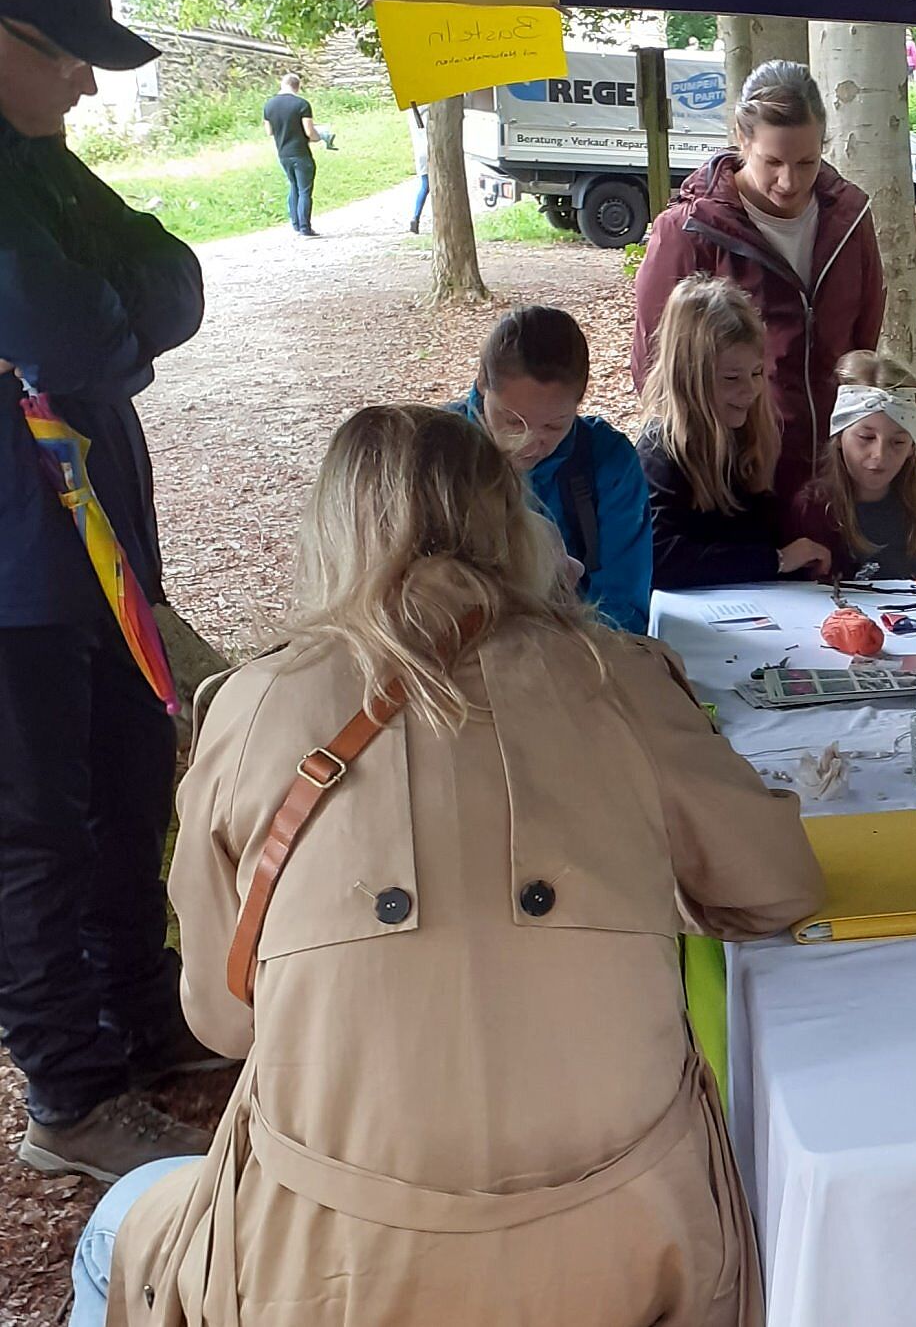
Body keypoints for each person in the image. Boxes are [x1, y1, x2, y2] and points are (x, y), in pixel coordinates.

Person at [70, 404, 826, 1327]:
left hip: (327, 1276)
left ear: (332, 532)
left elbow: (224, 1022)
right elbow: (777, 886)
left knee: (118, 1220)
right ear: (511, 518)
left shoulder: (253, 705)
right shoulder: (616, 677)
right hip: (633, 1256)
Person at [1, 0, 221, 1182]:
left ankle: (145, 1022)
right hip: (15, 575)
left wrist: (97, 332)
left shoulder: (41, 161)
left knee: (136, 784)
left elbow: (176, 277)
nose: (89, 82)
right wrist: (96, 331)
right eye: (67, 54)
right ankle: (69, 1096)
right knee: (37, 829)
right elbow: (62, 327)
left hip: (98, 550)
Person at [632, 59, 885, 503]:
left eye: (807, 161)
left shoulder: (850, 218)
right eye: (773, 162)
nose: (790, 181)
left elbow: (863, 343)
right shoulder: (690, 230)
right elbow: (655, 366)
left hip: (834, 468)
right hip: (731, 477)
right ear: (741, 138)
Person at [447, 306, 653, 634]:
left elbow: (624, 609)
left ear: (578, 402)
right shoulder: (438, 454)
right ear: (483, 383)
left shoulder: (607, 461)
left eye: (554, 426)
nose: (530, 442)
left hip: (580, 655)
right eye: (513, 421)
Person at [638, 274, 832, 588]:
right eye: (731, 378)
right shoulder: (660, 450)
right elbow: (659, 558)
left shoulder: (751, 436)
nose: (750, 390)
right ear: (691, 378)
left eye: (756, 373)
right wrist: (776, 561)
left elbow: (760, 535)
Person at [787, 351, 916, 583]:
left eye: (897, 442)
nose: (880, 455)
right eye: (866, 438)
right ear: (839, 437)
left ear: (912, 447)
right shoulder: (812, 510)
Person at [262, 73, 325, 237]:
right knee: (305, 190)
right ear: (297, 86)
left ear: (283, 84)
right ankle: (305, 227)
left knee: (293, 187)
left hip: (283, 153)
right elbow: (310, 132)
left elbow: (269, 131)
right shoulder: (301, 104)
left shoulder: (269, 105)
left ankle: (296, 224)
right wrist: (321, 137)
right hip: (300, 152)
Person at [407, 103, 429, 234]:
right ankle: (416, 217)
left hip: (419, 150)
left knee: (425, 185)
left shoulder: (411, 111)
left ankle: (416, 217)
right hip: (429, 147)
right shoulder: (427, 107)